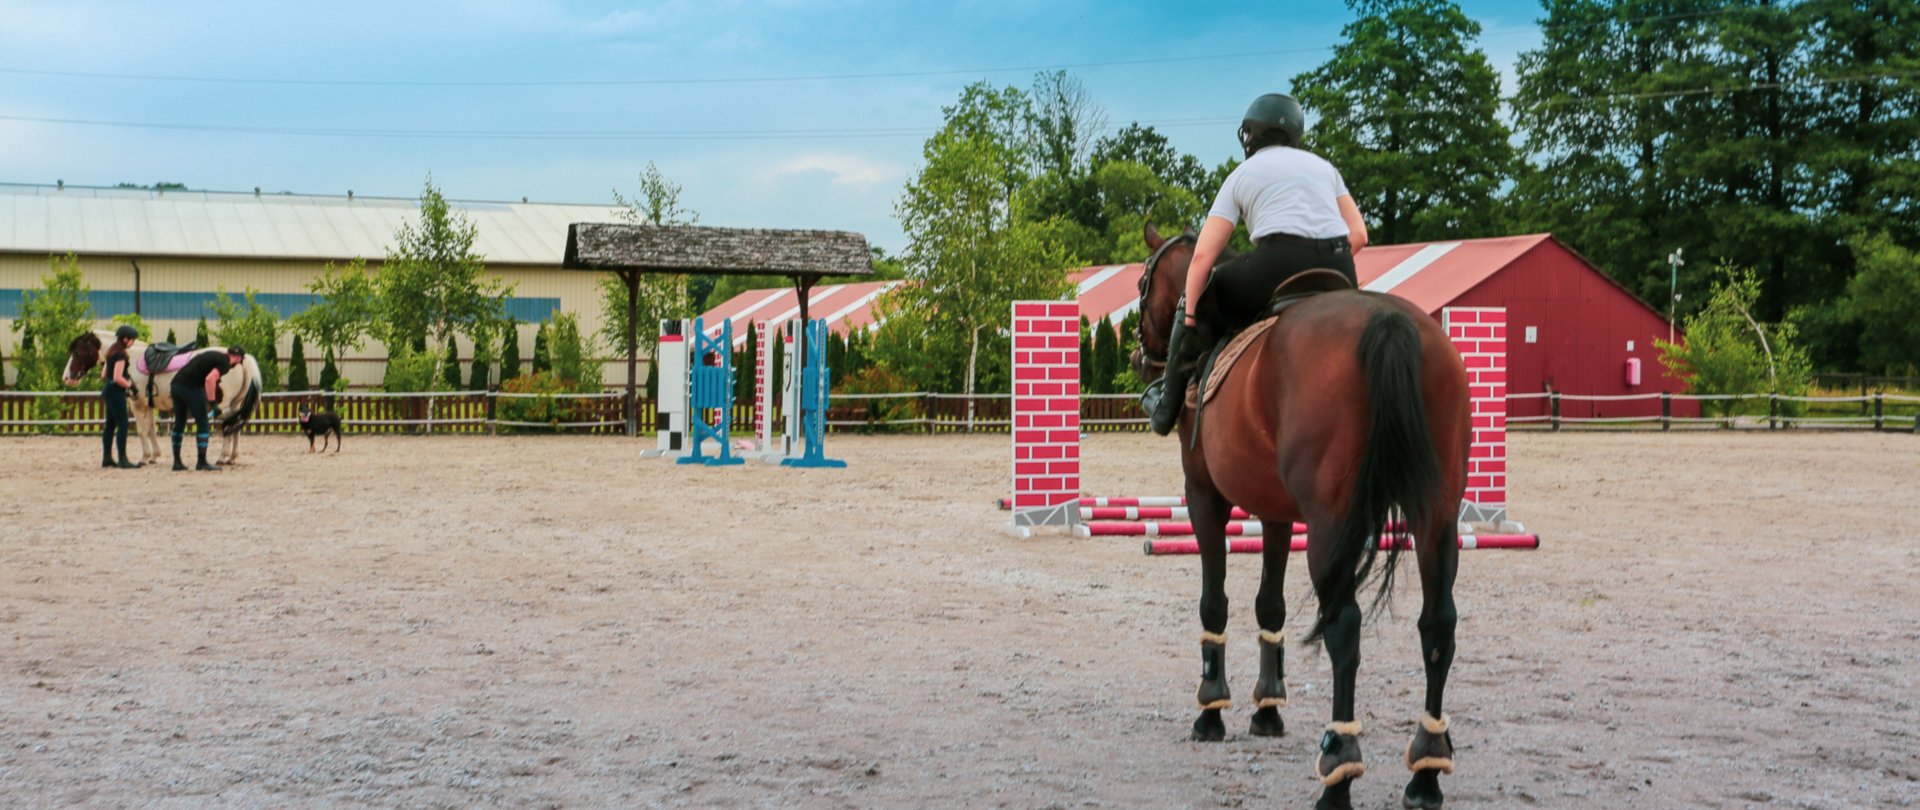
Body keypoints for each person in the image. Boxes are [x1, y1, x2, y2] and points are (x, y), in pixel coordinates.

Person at [1143, 92, 1371, 436]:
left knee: (1197, 297)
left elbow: (1202, 257)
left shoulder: (1242, 174)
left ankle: (1164, 410)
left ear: (1251, 134)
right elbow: (1360, 235)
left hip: (1275, 262)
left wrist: (1190, 317)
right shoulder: (1325, 168)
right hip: (1338, 264)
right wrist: (1321, 259)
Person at [170, 346, 244, 472]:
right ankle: (201, 462)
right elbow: (210, 379)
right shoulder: (225, 363)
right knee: (203, 423)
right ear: (238, 358)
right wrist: (213, 403)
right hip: (192, 387)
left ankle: (177, 462)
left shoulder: (214, 355)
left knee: (180, 423)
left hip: (176, 385)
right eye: (239, 361)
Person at [99, 325, 142, 469]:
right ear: (125, 339)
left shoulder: (111, 352)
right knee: (123, 423)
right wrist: (130, 386)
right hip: (116, 392)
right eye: (132, 340)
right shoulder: (121, 355)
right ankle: (123, 459)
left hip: (108, 390)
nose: (133, 342)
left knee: (110, 425)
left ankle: (107, 458)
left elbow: (104, 375)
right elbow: (117, 377)